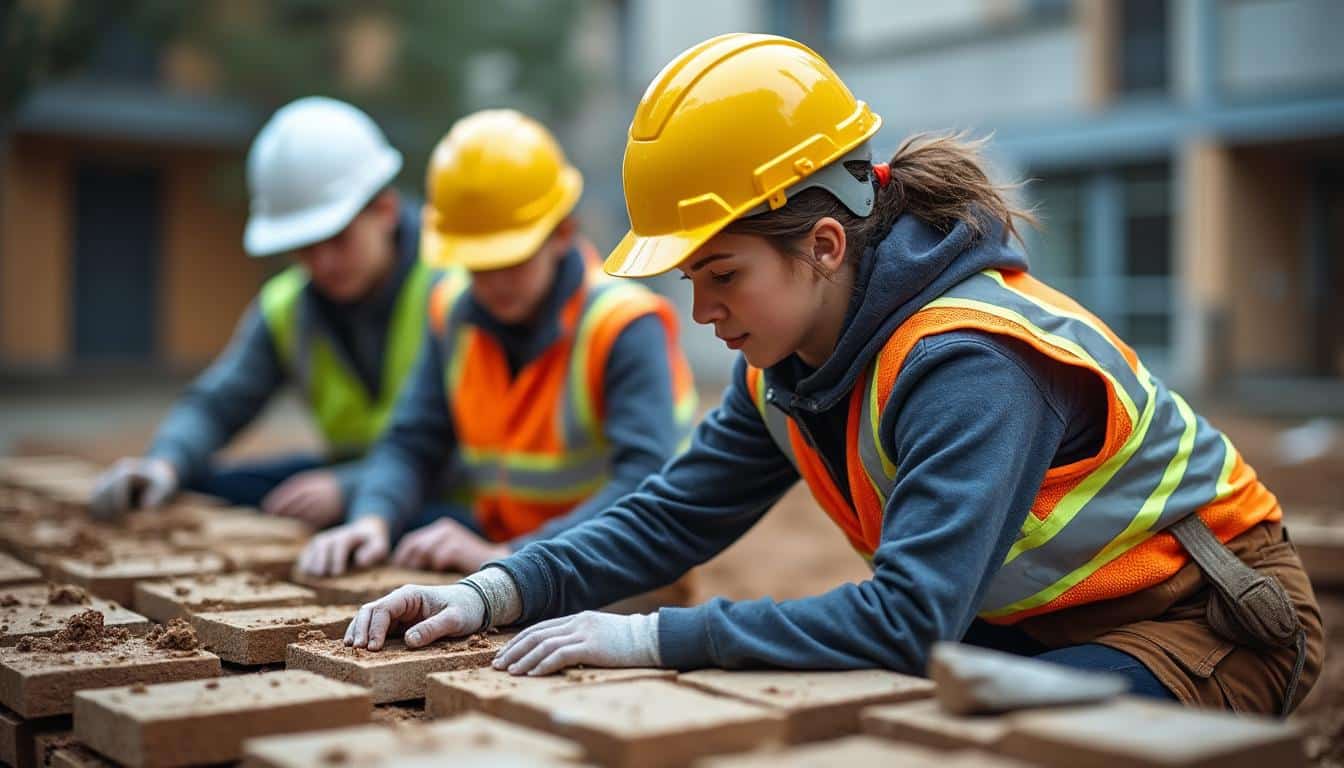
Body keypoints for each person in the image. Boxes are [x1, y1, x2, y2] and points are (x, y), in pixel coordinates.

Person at [343, 35, 1321, 716]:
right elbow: (669, 514)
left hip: (1207, 625)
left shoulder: (969, 363)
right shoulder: (784, 368)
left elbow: (903, 619)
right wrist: (496, 590)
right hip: (1032, 631)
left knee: (986, 737)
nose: (701, 312)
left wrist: (654, 641)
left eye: (722, 275)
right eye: (691, 278)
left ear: (820, 244)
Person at [296, 109, 696, 578]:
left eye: (510, 259)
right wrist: (372, 517)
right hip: (507, 546)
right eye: (477, 264)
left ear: (562, 234)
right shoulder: (452, 312)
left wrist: (514, 557)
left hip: (620, 563)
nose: (493, 282)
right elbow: (412, 441)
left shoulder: (622, 323)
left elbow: (640, 485)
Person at [90, 97, 451, 528]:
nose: (323, 265)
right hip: (351, 476)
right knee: (201, 487)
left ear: (385, 210)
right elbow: (217, 404)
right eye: (305, 248)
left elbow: (475, 450)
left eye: (337, 240)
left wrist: (353, 488)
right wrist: (164, 464)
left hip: (442, 492)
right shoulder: (288, 307)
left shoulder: (451, 287)